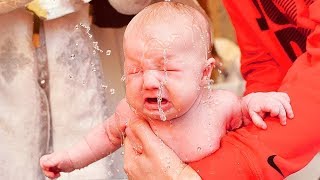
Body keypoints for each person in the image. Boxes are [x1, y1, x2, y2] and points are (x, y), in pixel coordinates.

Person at [39, 2, 294, 178]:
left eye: (167, 70)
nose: (149, 82)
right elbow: (103, 137)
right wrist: (69, 160)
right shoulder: (131, 113)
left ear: (204, 73)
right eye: (136, 71)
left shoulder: (221, 106)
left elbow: (248, 114)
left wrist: (260, 100)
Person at [122, 0, 320, 179]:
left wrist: (221, 168)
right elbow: (264, 62)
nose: (149, 83)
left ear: (206, 71)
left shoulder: (225, 104)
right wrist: (255, 110)